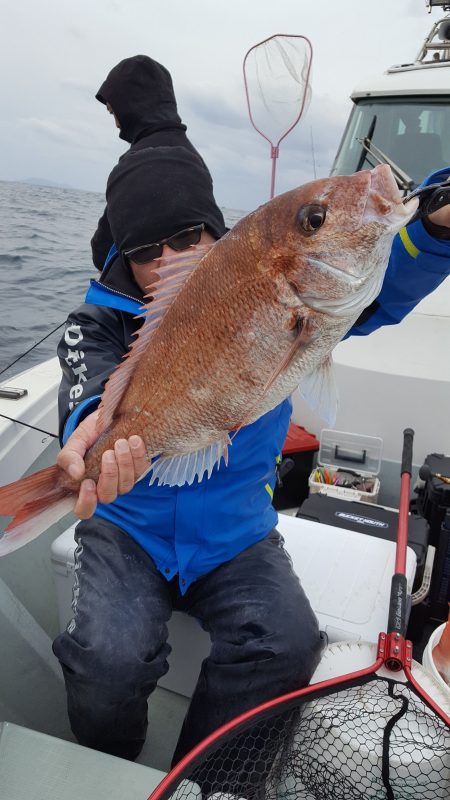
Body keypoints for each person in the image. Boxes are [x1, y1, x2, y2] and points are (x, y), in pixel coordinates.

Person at [53, 61, 450, 770]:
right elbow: (85, 395)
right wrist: (89, 429)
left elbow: (378, 293)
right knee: (103, 657)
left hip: (236, 532)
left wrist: (438, 232)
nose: (169, 258)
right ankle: (111, 768)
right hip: (125, 528)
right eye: (146, 251)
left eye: (185, 236)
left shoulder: (279, 285)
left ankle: (207, 777)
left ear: (213, 228)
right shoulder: (97, 321)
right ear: (119, 253)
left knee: (288, 642)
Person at [90, 54, 214, 271]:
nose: (117, 124)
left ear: (130, 108)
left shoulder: (138, 164)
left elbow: (102, 254)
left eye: (114, 112)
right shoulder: (192, 156)